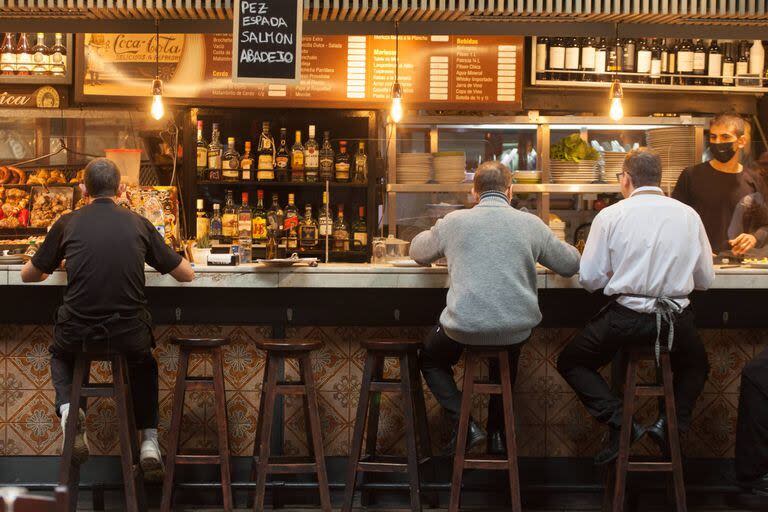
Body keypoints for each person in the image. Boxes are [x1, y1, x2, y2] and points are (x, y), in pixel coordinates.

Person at [20, 158, 195, 474]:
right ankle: (149, 443)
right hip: (128, 335)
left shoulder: (66, 223)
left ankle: (71, 410)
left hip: (77, 333)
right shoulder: (139, 223)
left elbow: (28, 275)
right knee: (143, 362)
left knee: (61, 355)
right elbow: (186, 275)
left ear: (83, 188)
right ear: (123, 188)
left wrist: (50, 268)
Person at [410, 161, 581, 455]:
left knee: (430, 358)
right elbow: (570, 264)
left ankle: (466, 425)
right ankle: (497, 435)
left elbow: (417, 252)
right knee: (507, 349)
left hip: (463, 327)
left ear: (474, 192)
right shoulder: (530, 224)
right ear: (510, 191)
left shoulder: (454, 221)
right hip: (515, 328)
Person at [557, 148, 714, 465]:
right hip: (675, 322)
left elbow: (589, 279)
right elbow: (705, 280)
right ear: (660, 180)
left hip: (626, 321)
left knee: (572, 361)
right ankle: (668, 426)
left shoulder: (611, 215)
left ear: (626, 178)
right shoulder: (688, 215)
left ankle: (622, 423)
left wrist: (622, 271)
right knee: (697, 366)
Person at [672, 113, 768, 256]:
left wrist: (754, 237)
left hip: (740, 266)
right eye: (713, 137)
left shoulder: (754, 180)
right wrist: (696, 248)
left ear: (741, 141)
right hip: (699, 264)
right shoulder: (691, 176)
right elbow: (675, 222)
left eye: (725, 137)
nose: (718, 142)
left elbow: (765, 225)